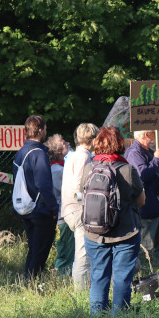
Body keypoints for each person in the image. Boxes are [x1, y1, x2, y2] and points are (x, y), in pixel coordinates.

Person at [83, 126, 145, 314]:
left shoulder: (88, 168)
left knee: (98, 276)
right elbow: (141, 201)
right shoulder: (127, 169)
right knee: (121, 278)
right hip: (125, 233)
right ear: (120, 144)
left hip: (94, 233)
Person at [13, 115, 59, 279]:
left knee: (33, 248)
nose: (46, 131)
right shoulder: (38, 153)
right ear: (40, 130)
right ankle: (32, 281)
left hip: (26, 207)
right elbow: (43, 185)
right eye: (45, 128)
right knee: (40, 250)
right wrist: (54, 208)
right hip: (40, 210)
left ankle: (29, 280)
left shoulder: (21, 152)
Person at [125, 130, 159, 266]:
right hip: (148, 201)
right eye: (152, 133)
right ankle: (148, 269)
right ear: (146, 135)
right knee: (148, 241)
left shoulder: (149, 151)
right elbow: (142, 175)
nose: (155, 136)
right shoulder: (134, 153)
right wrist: (156, 160)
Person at [61, 123, 98, 290]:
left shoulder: (73, 156)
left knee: (84, 254)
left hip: (68, 209)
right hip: (78, 209)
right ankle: (81, 293)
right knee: (83, 256)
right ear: (91, 139)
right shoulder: (84, 157)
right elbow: (78, 185)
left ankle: (85, 289)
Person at [46, 134, 73, 277]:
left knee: (67, 249)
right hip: (64, 216)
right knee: (65, 250)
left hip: (63, 215)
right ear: (57, 151)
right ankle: (61, 277)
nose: (67, 143)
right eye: (63, 143)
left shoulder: (58, 168)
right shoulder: (58, 170)